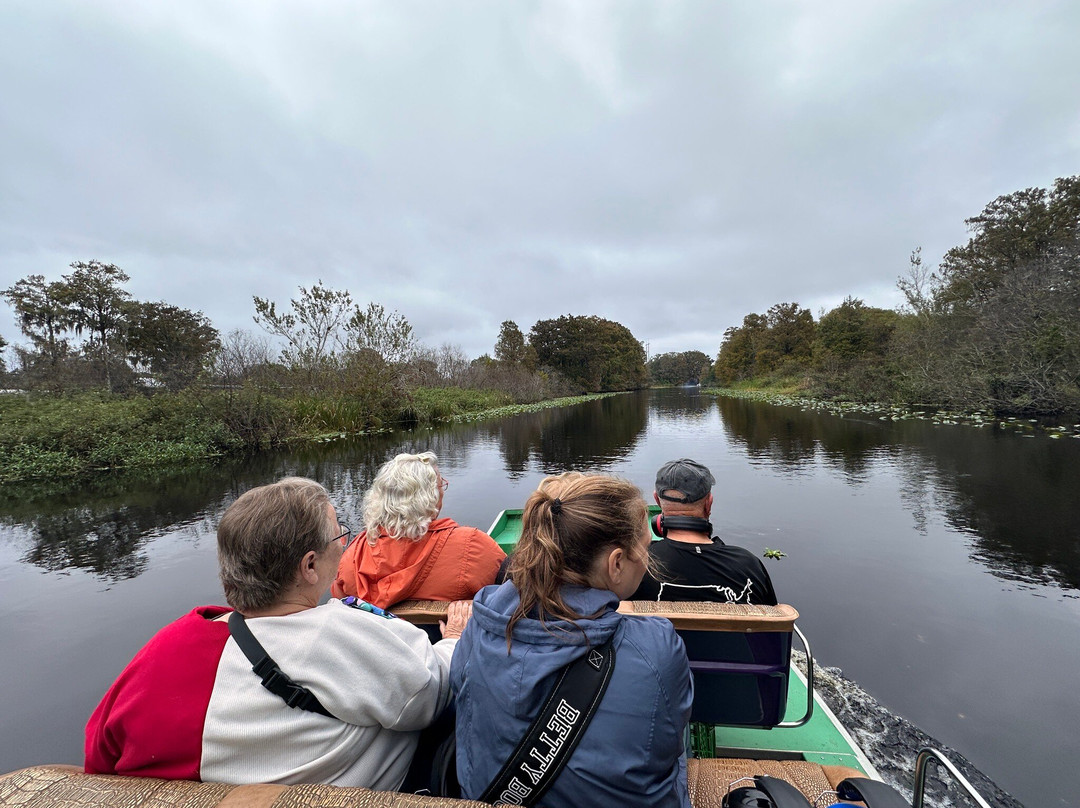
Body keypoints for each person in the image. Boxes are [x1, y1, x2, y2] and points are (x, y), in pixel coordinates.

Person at [85, 477, 471, 789]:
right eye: (340, 537)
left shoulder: (167, 645)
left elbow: (100, 753)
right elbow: (432, 696)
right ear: (308, 566)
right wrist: (453, 637)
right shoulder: (341, 634)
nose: (346, 545)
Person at [452, 474, 693, 808]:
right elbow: (669, 743)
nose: (647, 559)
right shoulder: (656, 648)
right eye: (645, 548)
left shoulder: (480, 624)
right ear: (616, 564)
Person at [333, 451, 505, 608]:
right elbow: (512, 590)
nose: (442, 491)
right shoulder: (472, 547)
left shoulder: (353, 557)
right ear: (428, 497)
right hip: (448, 640)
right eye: (440, 485)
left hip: (381, 641)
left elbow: (342, 606)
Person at [631, 458, 778, 605]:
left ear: (657, 500)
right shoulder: (749, 566)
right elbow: (776, 625)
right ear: (709, 504)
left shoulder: (636, 563)